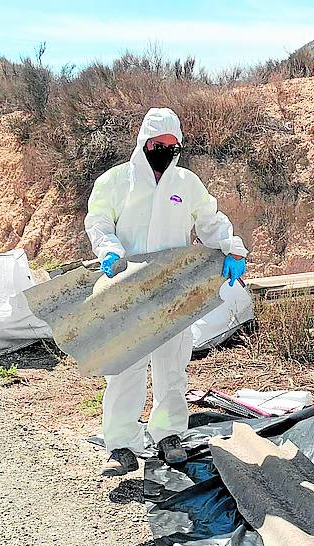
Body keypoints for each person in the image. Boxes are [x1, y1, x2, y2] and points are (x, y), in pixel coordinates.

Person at [85, 107, 248, 477]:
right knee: (125, 367)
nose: (165, 151)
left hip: (173, 289)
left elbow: (210, 221)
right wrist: (108, 249)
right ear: (144, 142)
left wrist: (231, 248)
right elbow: (98, 221)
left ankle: (168, 436)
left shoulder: (186, 185)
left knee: (172, 365)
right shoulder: (115, 182)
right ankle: (121, 444)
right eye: (159, 144)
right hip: (128, 287)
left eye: (172, 146)